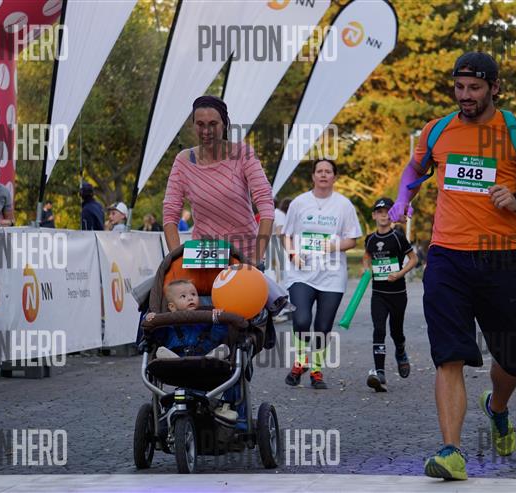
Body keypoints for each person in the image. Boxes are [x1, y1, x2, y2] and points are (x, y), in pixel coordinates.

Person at [387, 52, 516, 480]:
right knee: (449, 355)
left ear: (494, 88)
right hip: (447, 256)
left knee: (512, 359)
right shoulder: (437, 130)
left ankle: (497, 406)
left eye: (475, 88)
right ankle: (452, 451)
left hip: (500, 257)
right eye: (459, 87)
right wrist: (402, 199)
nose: (465, 95)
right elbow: (413, 170)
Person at [163, 96, 274, 265]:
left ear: (224, 124)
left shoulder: (243, 154)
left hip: (244, 257)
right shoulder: (183, 161)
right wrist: (176, 261)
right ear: (193, 126)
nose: (206, 131)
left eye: (213, 124)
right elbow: (170, 213)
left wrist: (256, 258)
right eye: (200, 124)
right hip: (204, 258)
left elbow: (266, 204)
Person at [282, 159, 362, 390]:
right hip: (302, 273)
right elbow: (286, 235)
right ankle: (300, 362)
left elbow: (352, 239)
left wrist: (334, 246)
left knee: (323, 327)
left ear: (334, 177)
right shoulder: (299, 203)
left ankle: (316, 371)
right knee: (301, 320)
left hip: (332, 276)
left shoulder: (344, 205)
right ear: (313, 176)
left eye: (328, 171)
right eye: (320, 171)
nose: (324, 175)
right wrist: (292, 254)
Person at [143, 279, 234, 421]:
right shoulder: (168, 323)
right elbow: (157, 336)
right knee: (160, 350)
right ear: (172, 307)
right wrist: (152, 319)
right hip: (175, 361)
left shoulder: (205, 318)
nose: (190, 298)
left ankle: (218, 402)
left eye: (193, 294)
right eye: (183, 296)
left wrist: (218, 319)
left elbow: (217, 336)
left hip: (205, 359)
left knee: (224, 349)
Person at [362, 198, 417, 392]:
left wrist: (400, 274)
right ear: (374, 215)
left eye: (387, 211)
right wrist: (366, 268)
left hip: (398, 293)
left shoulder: (398, 237)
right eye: (380, 212)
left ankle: (400, 351)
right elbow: (367, 256)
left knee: (396, 331)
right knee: (379, 330)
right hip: (378, 294)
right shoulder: (370, 239)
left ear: (392, 215)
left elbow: (413, 259)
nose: (384, 215)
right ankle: (380, 373)